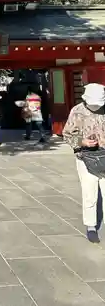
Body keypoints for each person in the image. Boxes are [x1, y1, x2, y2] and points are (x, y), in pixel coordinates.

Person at [63, 83, 105, 244]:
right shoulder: (77, 111)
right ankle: (91, 226)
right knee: (90, 193)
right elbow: (67, 134)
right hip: (86, 157)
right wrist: (83, 141)